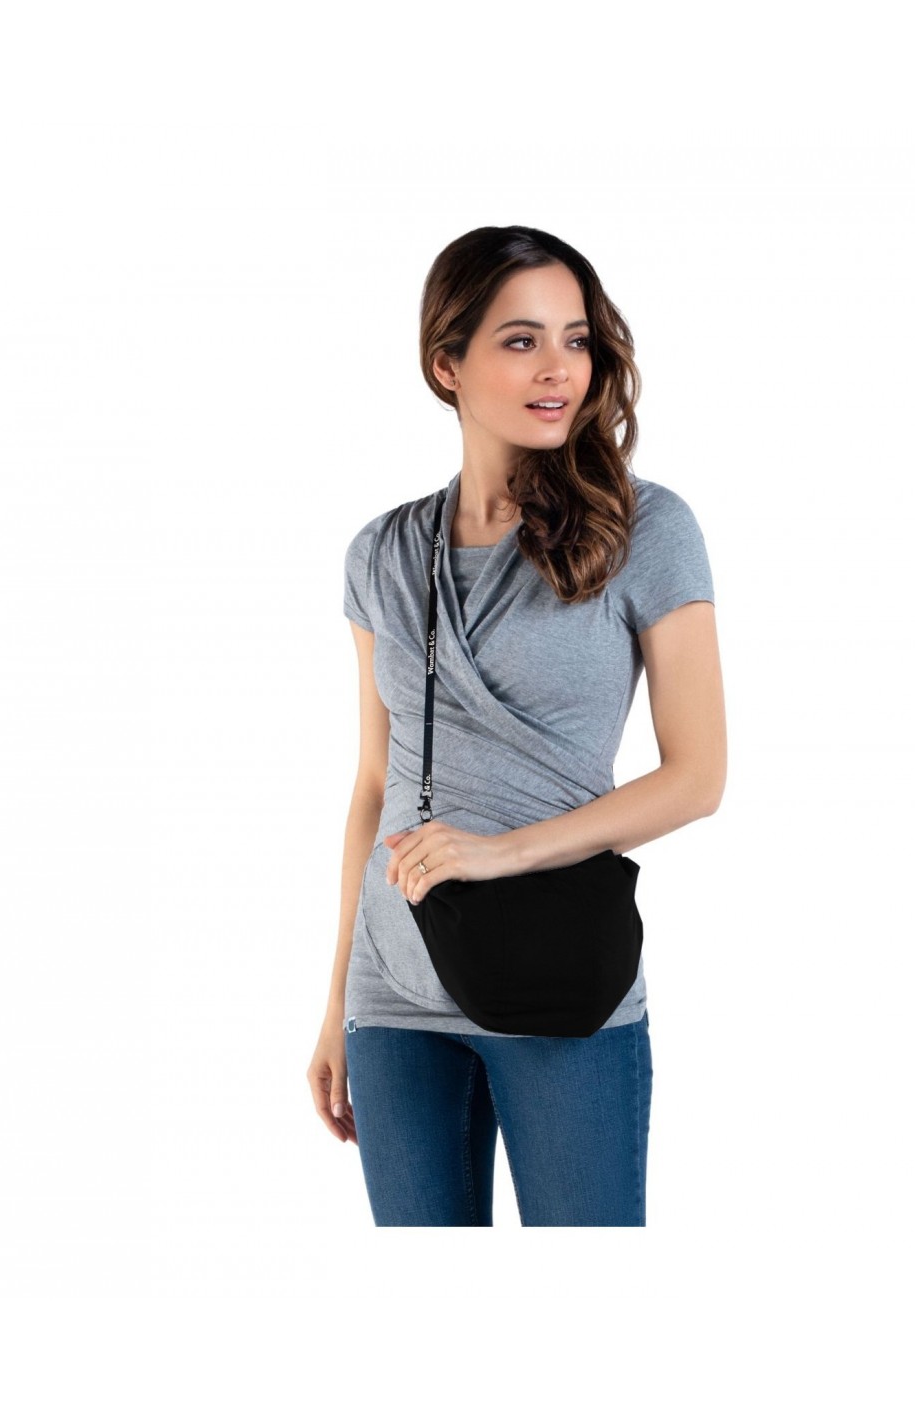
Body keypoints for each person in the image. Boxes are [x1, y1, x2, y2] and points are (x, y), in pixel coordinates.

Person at [307, 225, 727, 1227]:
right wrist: (337, 1002)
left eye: (575, 340)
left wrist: (498, 853)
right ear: (446, 365)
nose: (558, 369)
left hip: (559, 979)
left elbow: (697, 776)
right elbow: (375, 784)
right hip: (394, 994)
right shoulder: (381, 553)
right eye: (521, 340)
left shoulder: (645, 529)